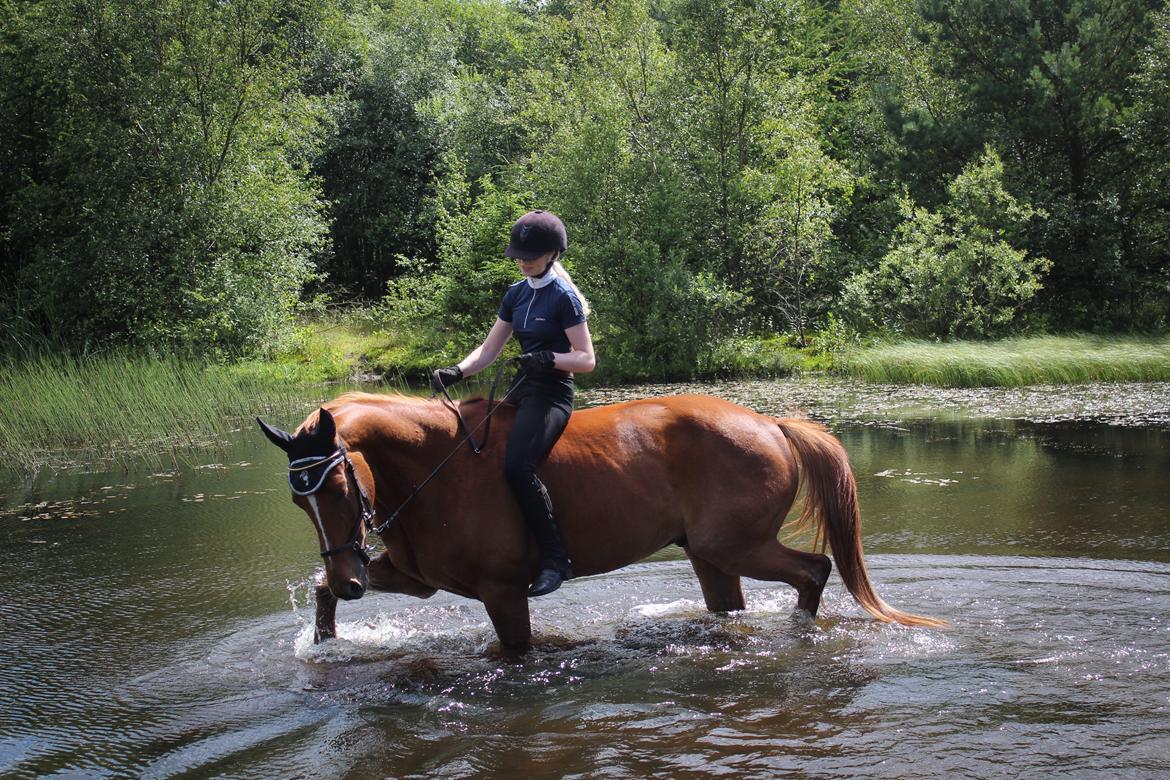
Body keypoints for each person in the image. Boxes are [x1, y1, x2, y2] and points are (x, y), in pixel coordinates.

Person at [431, 210, 596, 597]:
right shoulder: (516, 293)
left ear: (553, 254)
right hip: (521, 389)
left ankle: (556, 560)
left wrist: (549, 358)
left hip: (552, 393)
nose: (523, 262)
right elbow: (489, 349)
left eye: (531, 256)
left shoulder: (563, 297)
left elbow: (586, 359)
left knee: (518, 466)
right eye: (519, 255)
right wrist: (458, 371)